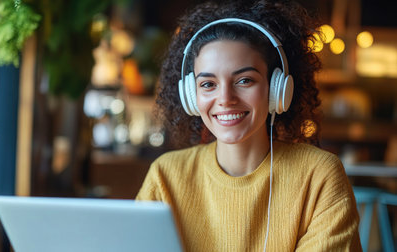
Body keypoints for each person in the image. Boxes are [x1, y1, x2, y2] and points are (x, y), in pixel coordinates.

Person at [136, 0, 361, 251]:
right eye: (208, 84)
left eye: (244, 80)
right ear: (191, 96)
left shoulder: (319, 175)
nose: (225, 100)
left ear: (277, 89)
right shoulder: (165, 176)